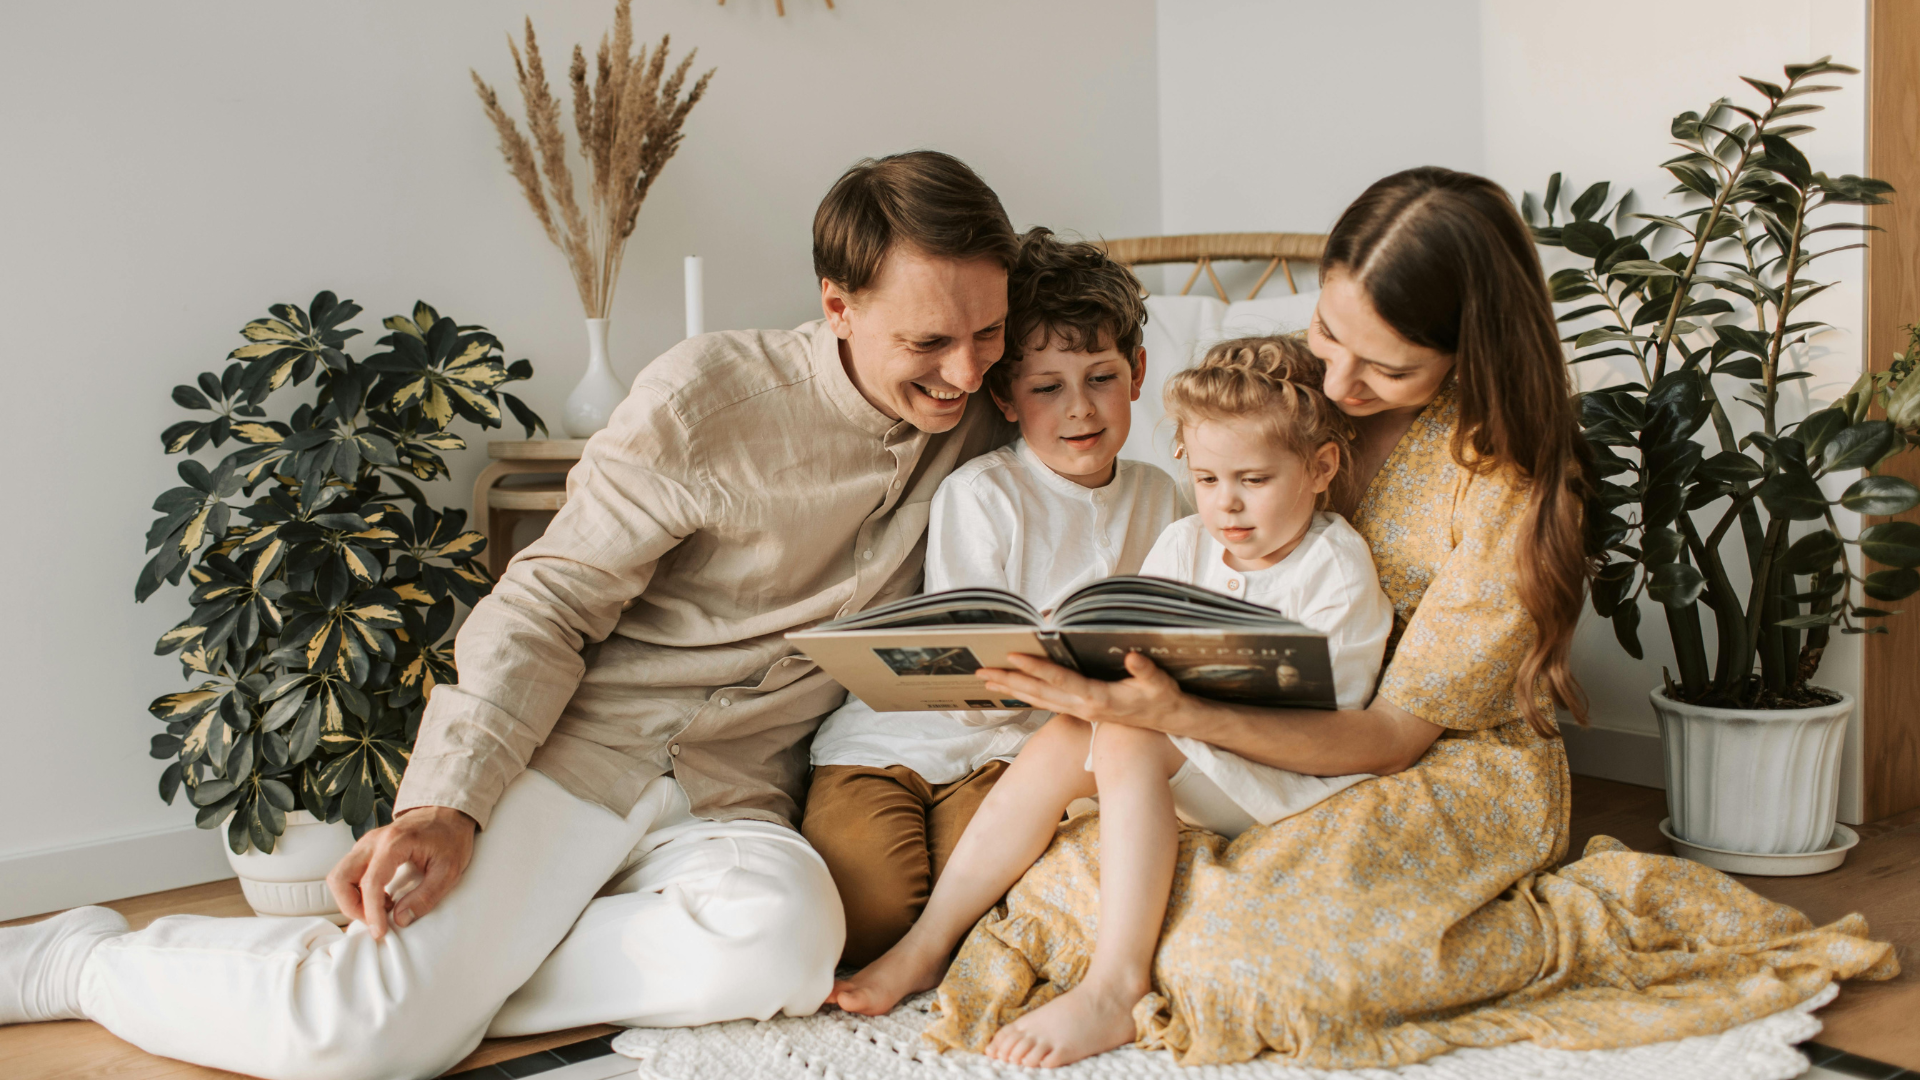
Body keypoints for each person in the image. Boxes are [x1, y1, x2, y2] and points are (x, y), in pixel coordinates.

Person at [0, 150, 1019, 1080]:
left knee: (785, 946)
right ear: (836, 305)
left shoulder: (989, 409)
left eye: (989, 332)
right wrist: (446, 802)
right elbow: (547, 602)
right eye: (930, 340)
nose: (968, 372)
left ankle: (445, 986)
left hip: (735, 795)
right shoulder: (709, 399)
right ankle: (79, 960)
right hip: (582, 755)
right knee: (355, 1047)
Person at [831, 336, 1394, 1067]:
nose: (1226, 504)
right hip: (1195, 756)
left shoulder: (1335, 568)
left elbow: (1327, 726)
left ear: (1319, 468)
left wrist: (1156, 709)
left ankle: (1116, 985)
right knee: (1070, 730)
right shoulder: (1186, 539)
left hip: (1283, 779)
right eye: (1207, 477)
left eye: (1254, 480)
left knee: (1125, 732)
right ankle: (928, 945)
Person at [802, 228, 1183, 968]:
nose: (1080, 410)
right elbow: (964, 670)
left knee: (983, 897)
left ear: (1137, 372)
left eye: (1100, 377)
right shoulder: (984, 495)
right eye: (1047, 387)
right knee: (867, 910)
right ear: (1006, 397)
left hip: (1018, 760)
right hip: (897, 744)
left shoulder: (1159, 496)